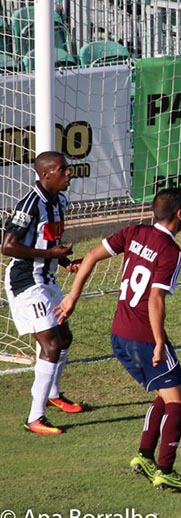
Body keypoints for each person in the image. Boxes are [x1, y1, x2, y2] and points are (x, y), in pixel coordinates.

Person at [56, 188, 181, 490]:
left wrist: (72, 297)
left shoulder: (135, 232)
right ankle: (165, 470)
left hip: (119, 335)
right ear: (179, 214)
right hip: (144, 336)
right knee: (177, 401)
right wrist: (159, 342)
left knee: (164, 394)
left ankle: (144, 456)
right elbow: (155, 299)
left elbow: (91, 256)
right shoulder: (171, 252)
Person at [2, 151, 84, 435]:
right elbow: (7, 247)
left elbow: (47, 241)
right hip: (26, 281)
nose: (68, 173)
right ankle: (35, 418)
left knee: (64, 337)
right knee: (50, 345)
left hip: (46, 279)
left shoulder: (60, 201)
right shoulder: (30, 204)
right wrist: (51, 254)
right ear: (46, 174)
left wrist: (64, 261)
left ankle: (53, 394)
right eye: (63, 169)